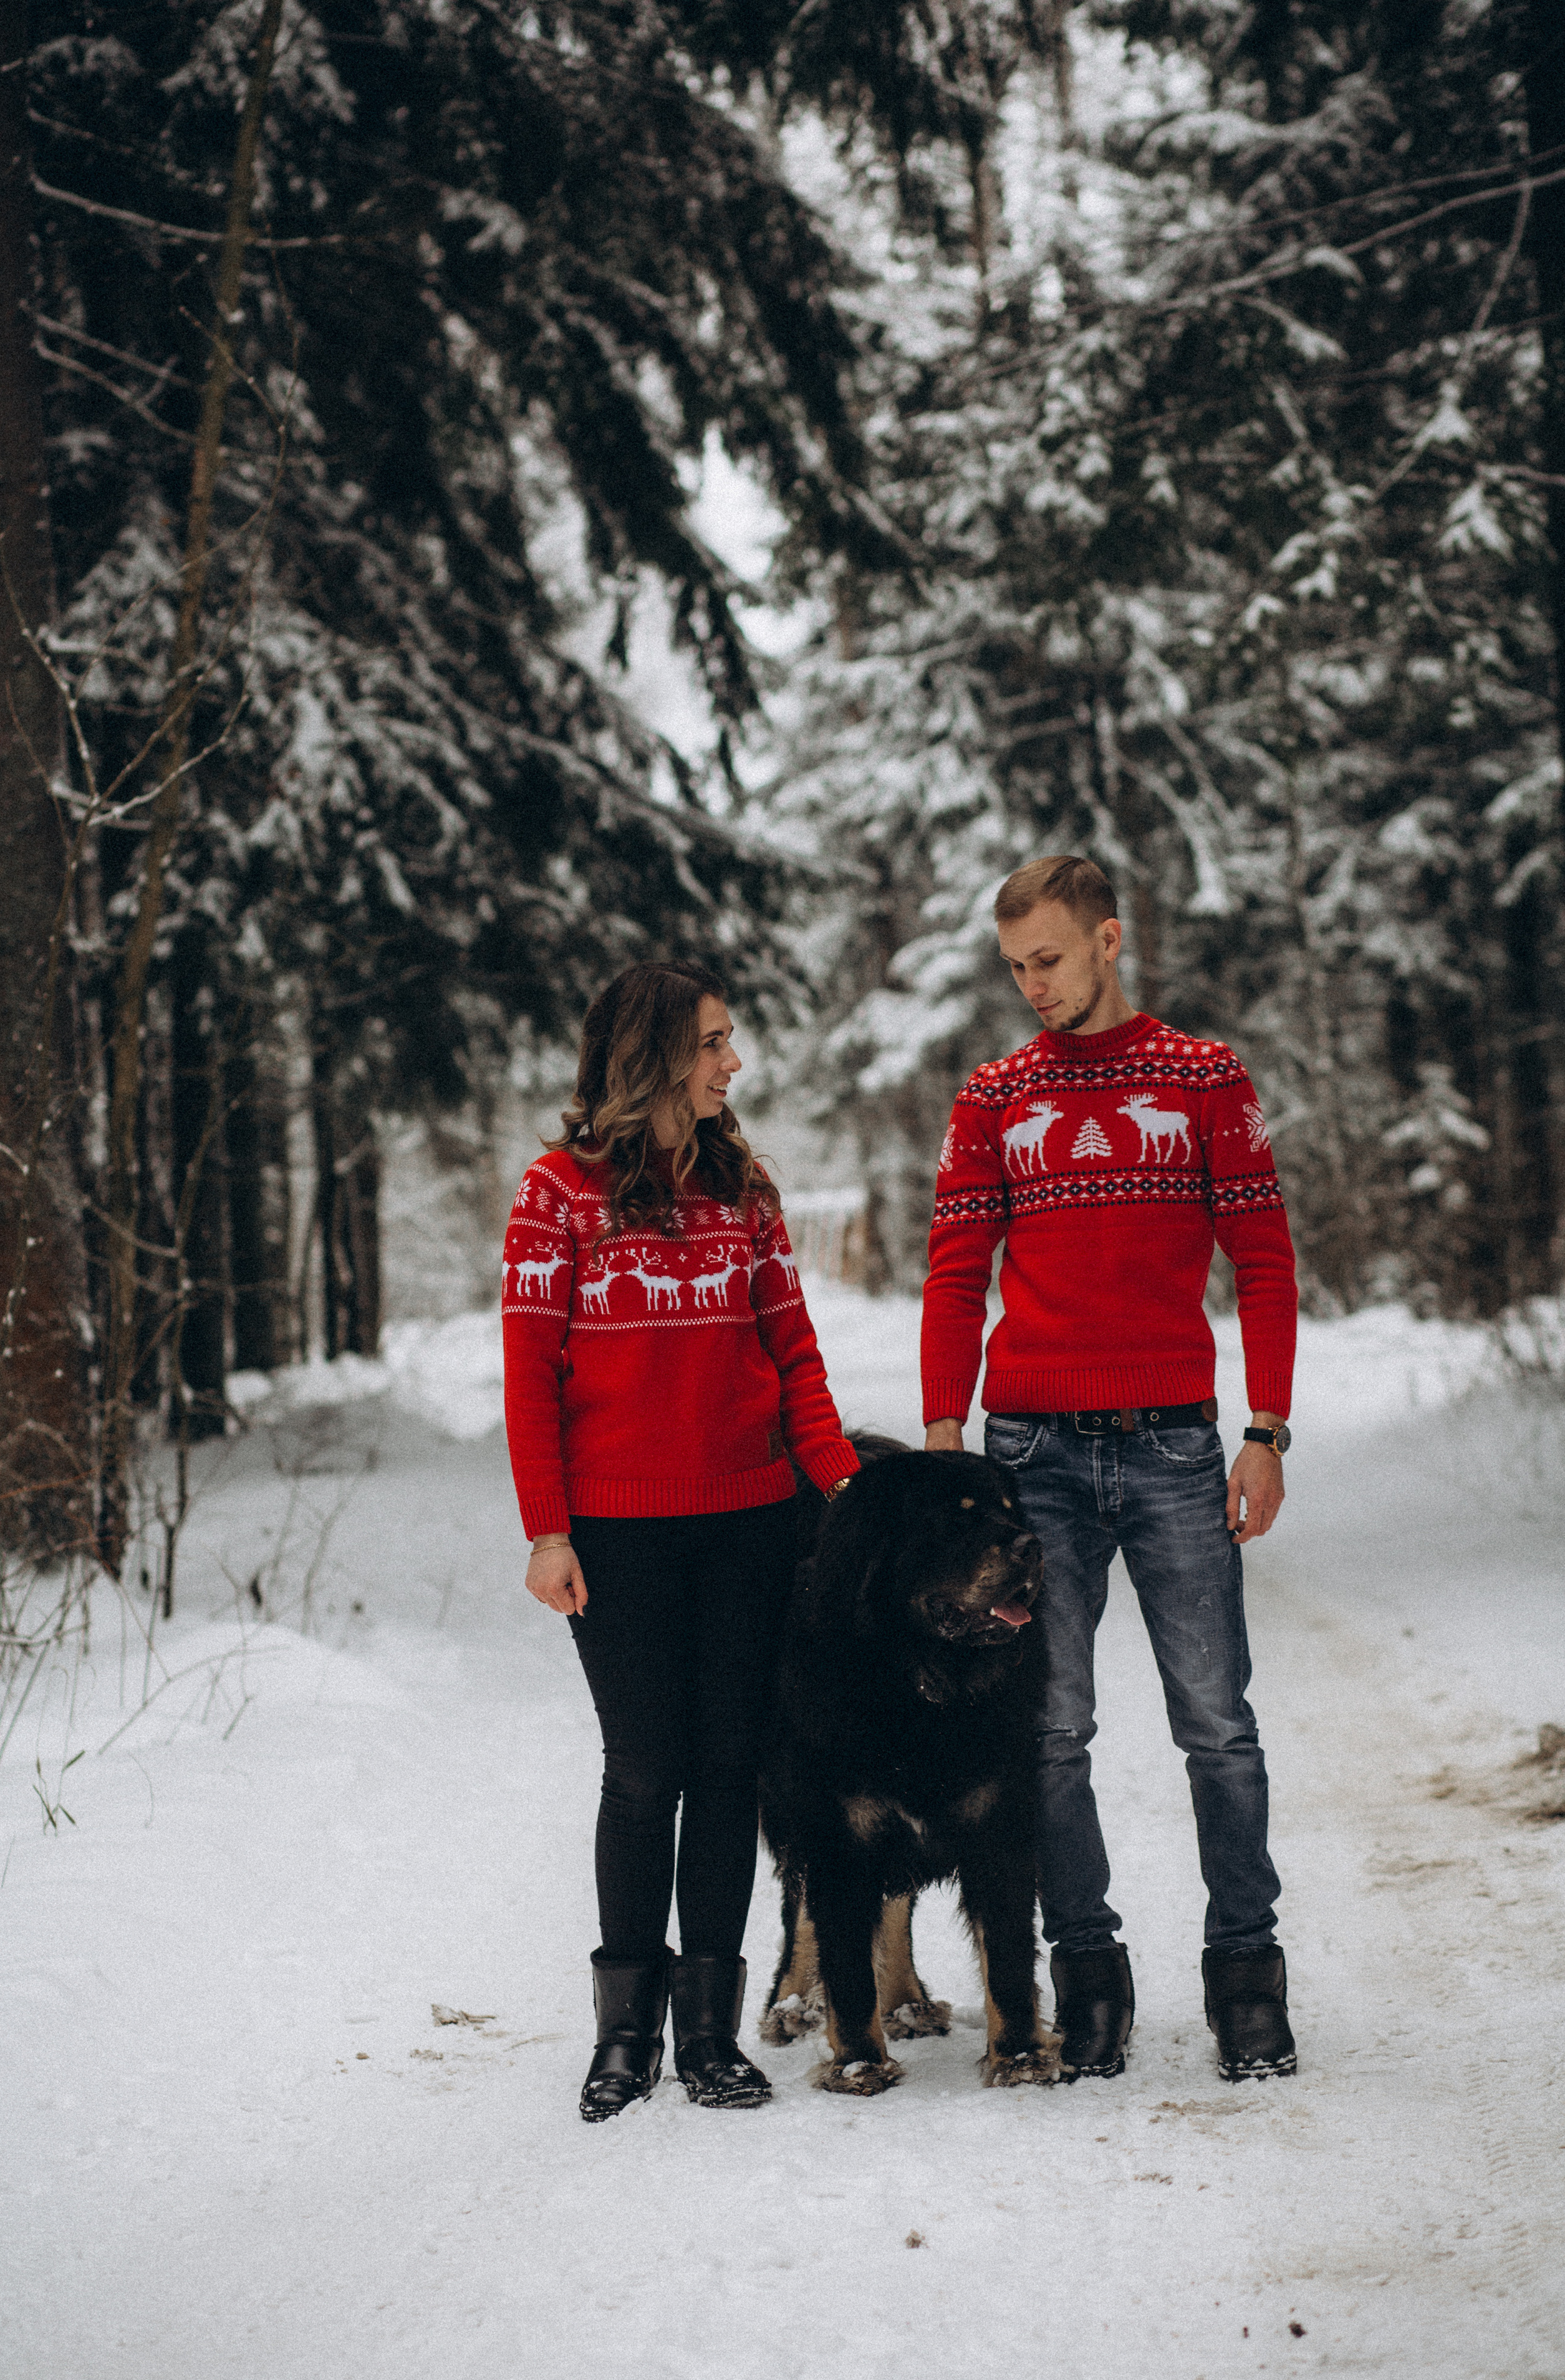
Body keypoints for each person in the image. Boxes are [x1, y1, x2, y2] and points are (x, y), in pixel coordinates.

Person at [920, 856, 1299, 2083]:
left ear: (1107, 940)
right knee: (1048, 1728)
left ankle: (1245, 1970)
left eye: (1049, 958)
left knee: (1215, 1721)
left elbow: (1262, 1256)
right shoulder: (993, 1096)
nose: (1030, 984)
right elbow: (952, 1270)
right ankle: (1085, 1967)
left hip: (1178, 1445)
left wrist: (1265, 1429)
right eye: (1013, 965)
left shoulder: (1200, 1079)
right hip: (1030, 1453)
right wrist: (939, 1436)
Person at [501, 961, 860, 2122]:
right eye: (713, 1042)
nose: (732, 1063)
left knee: (724, 1773)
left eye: (731, 1041)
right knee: (644, 1769)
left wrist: (845, 1496)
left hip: (751, 1519)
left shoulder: (743, 1186)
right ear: (652, 1057)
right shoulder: (554, 1195)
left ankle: (708, 2032)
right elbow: (531, 1378)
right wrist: (548, 1530)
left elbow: (795, 1358)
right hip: (619, 1532)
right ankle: (624, 2038)